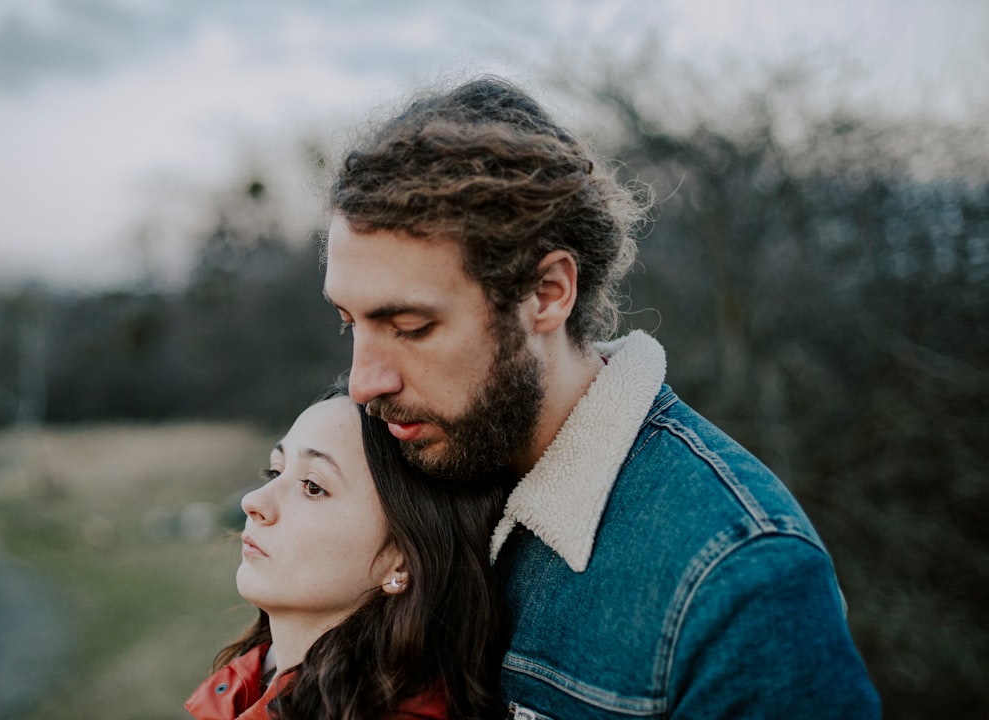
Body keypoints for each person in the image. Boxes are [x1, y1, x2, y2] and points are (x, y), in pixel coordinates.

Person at [322, 76, 882, 719]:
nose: (364, 381)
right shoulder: (399, 483)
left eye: (412, 328)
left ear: (548, 293)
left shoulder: (740, 581)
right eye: (350, 322)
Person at [185, 390, 507, 720]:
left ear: (401, 561)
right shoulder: (246, 685)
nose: (253, 501)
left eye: (312, 486)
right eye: (275, 472)